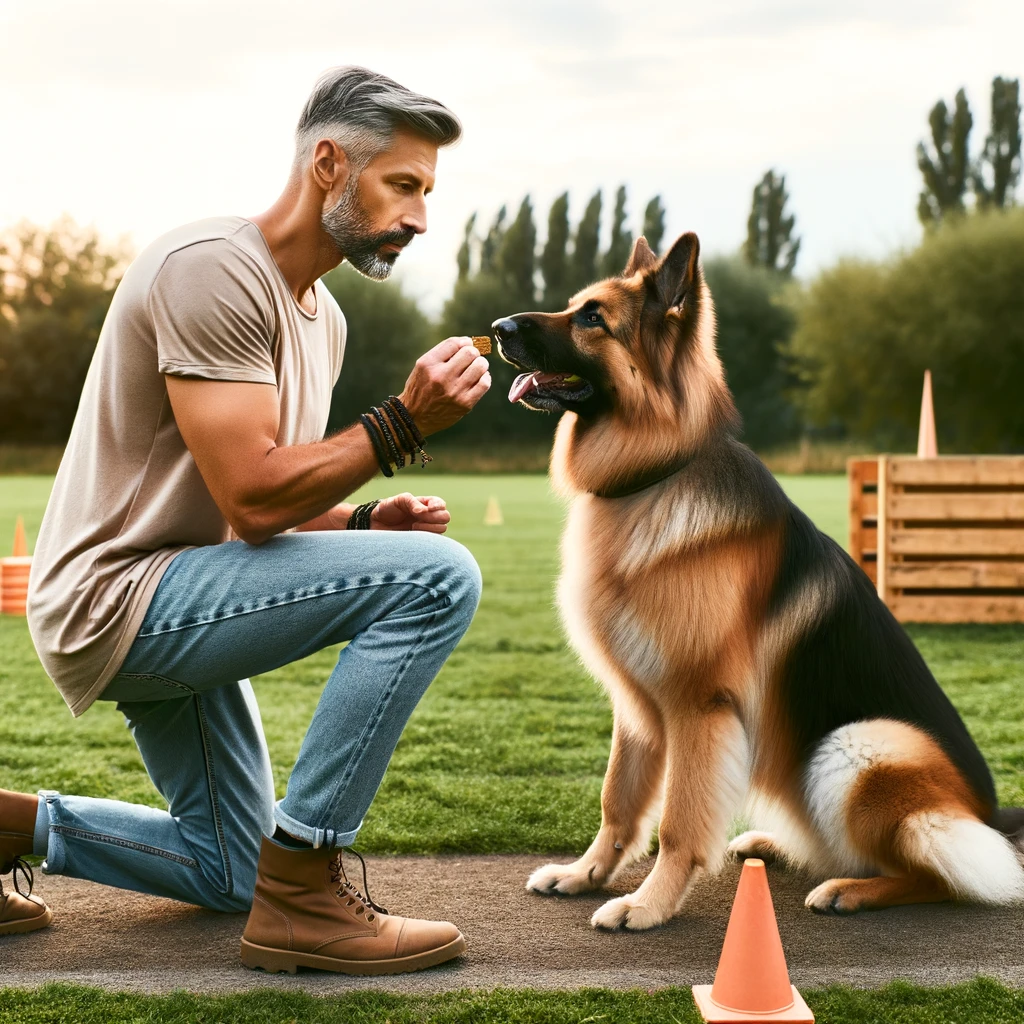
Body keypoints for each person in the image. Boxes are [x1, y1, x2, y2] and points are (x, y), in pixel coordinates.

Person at [3, 66, 492, 975]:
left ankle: (10, 825)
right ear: (329, 164)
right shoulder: (215, 270)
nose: (420, 217)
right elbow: (255, 497)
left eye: (428, 192)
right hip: (119, 597)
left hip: (184, 587)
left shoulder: (325, 320)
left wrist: (361, 520)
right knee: (440, 578)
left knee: (227, 870)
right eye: (404, 186)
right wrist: (402, 423)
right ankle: (305, 882)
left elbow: (262, 502)